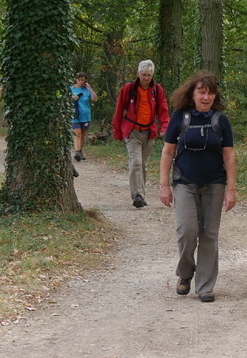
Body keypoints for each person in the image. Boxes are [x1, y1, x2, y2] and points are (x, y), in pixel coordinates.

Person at [158, 72, 236, 302]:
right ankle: (185, 273)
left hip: (215, 184)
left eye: (210, 93)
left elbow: (229, 156)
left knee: (209, 234)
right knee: (187, 231)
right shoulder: (180, 118)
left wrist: (231, 190)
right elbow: (167, 152)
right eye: (201, 92)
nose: (206, 97)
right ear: (192, 94)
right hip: (184, 182)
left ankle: (205, 286)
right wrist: (164, 185)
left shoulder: (221, 121)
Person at [112, 59, 169, 208]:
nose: (146, 78)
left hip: (149, 131)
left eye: (149, 75)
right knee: (136, 162)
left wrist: (165, 126)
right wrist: (117, 131)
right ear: (138, 74)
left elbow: (163, 110)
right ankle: (137, 195)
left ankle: (141, 195)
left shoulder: (157, 89)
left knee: (143, 164)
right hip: (132, 131)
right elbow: (119, 110)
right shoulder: (129, 89)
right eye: (144, 75)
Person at [70, 73, 98, 161]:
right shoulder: (71, 89)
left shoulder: (86, 90)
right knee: (77, 133)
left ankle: (80, 151)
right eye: (79, 79)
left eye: (82, 80)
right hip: (74, 114)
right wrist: (72, 98)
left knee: (82, 134)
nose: (80, 81)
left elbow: (95, 99)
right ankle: (77, 151)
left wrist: (90, 89)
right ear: (76, 79)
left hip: (85, 115)